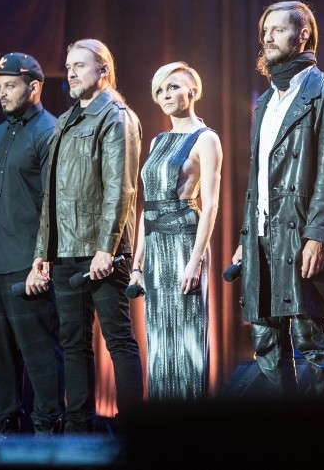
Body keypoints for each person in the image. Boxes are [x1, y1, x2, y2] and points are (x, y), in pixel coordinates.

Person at [232, 0, 324, 397]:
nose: (267, 37)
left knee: (312, 342)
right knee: (266, 346)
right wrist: (244, 239)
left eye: (277, 29)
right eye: (264, 31)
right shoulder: (265, 101)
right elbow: (258, 180)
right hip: (262, 236)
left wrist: (319, 236)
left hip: (300, 234)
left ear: (302, 34)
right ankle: (284, 439)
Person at [26, 38, 143, 433]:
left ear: (104, 70)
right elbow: (52, 195)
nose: (71, 71)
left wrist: (105, 248)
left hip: (100, 251)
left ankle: (133, 431)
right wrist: (43, 250)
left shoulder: (116, 116)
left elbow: (121, 188)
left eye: (80, 64)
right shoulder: (65, 121)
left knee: (118, 340)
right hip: (64, 250)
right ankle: (77, 431)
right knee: (73, 344)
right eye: (69, 64)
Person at [0, 52, 64, 436]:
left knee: (40, 354)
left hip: (28, 262)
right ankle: (2, 436)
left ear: (34, 86)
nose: (2, 94)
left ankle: (47, 436)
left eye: (10, 85)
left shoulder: (49, 131)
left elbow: (53, 205)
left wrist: (44, 260)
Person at [128, 61, 222, 401]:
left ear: (192, 91)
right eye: (161, 90)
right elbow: (146, 207)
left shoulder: (206, 139)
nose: (167, 95)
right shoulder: (157, 141)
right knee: (159, 341)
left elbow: (210, 205)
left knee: (187, 340)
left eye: (174, 87)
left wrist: (195, 262)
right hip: (155, 247)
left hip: (185, 242)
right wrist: (137, 265)